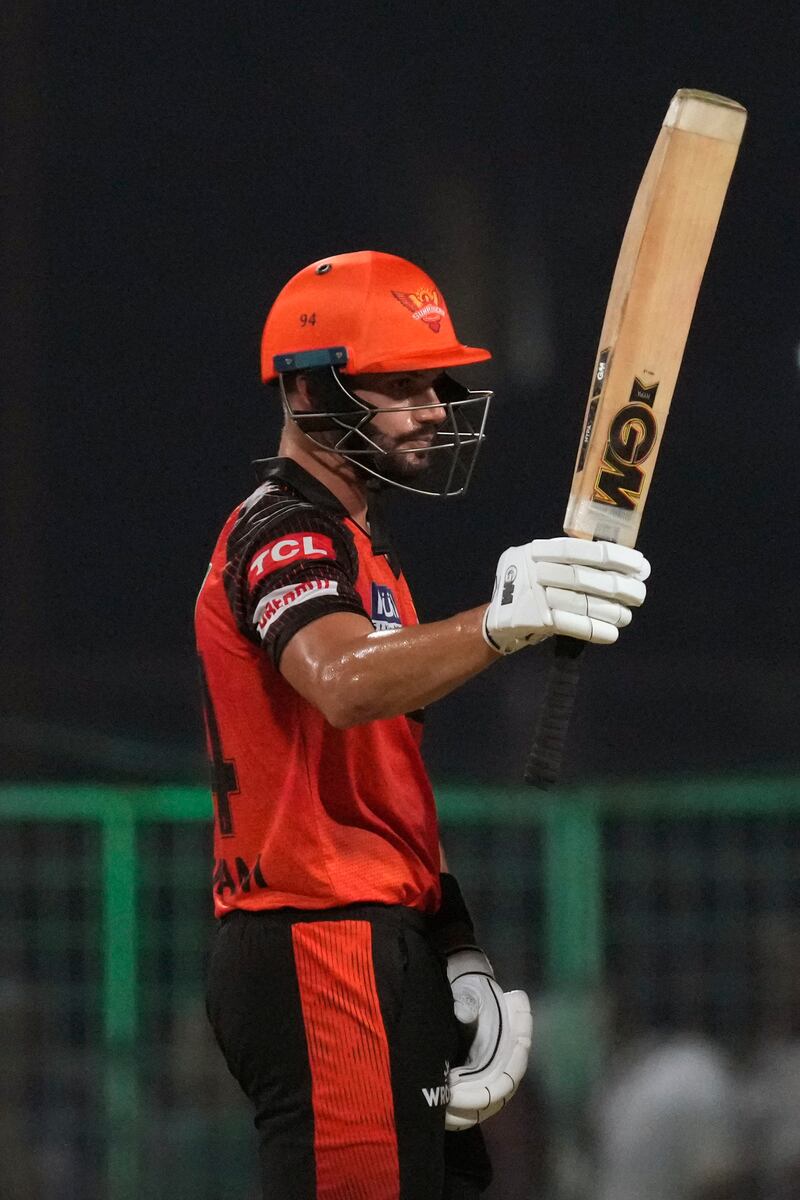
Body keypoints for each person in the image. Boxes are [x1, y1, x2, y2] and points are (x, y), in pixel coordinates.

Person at [195, 250, 649, 1199]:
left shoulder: (361, 550)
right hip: (318, 943)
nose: (437, 408)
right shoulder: (286, 532)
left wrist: (454, 946)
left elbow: (380, 782)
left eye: (434, 383)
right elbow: (342, 685)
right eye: (400, 386)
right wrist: (498, 622)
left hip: (365, 940)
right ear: (310, 392)